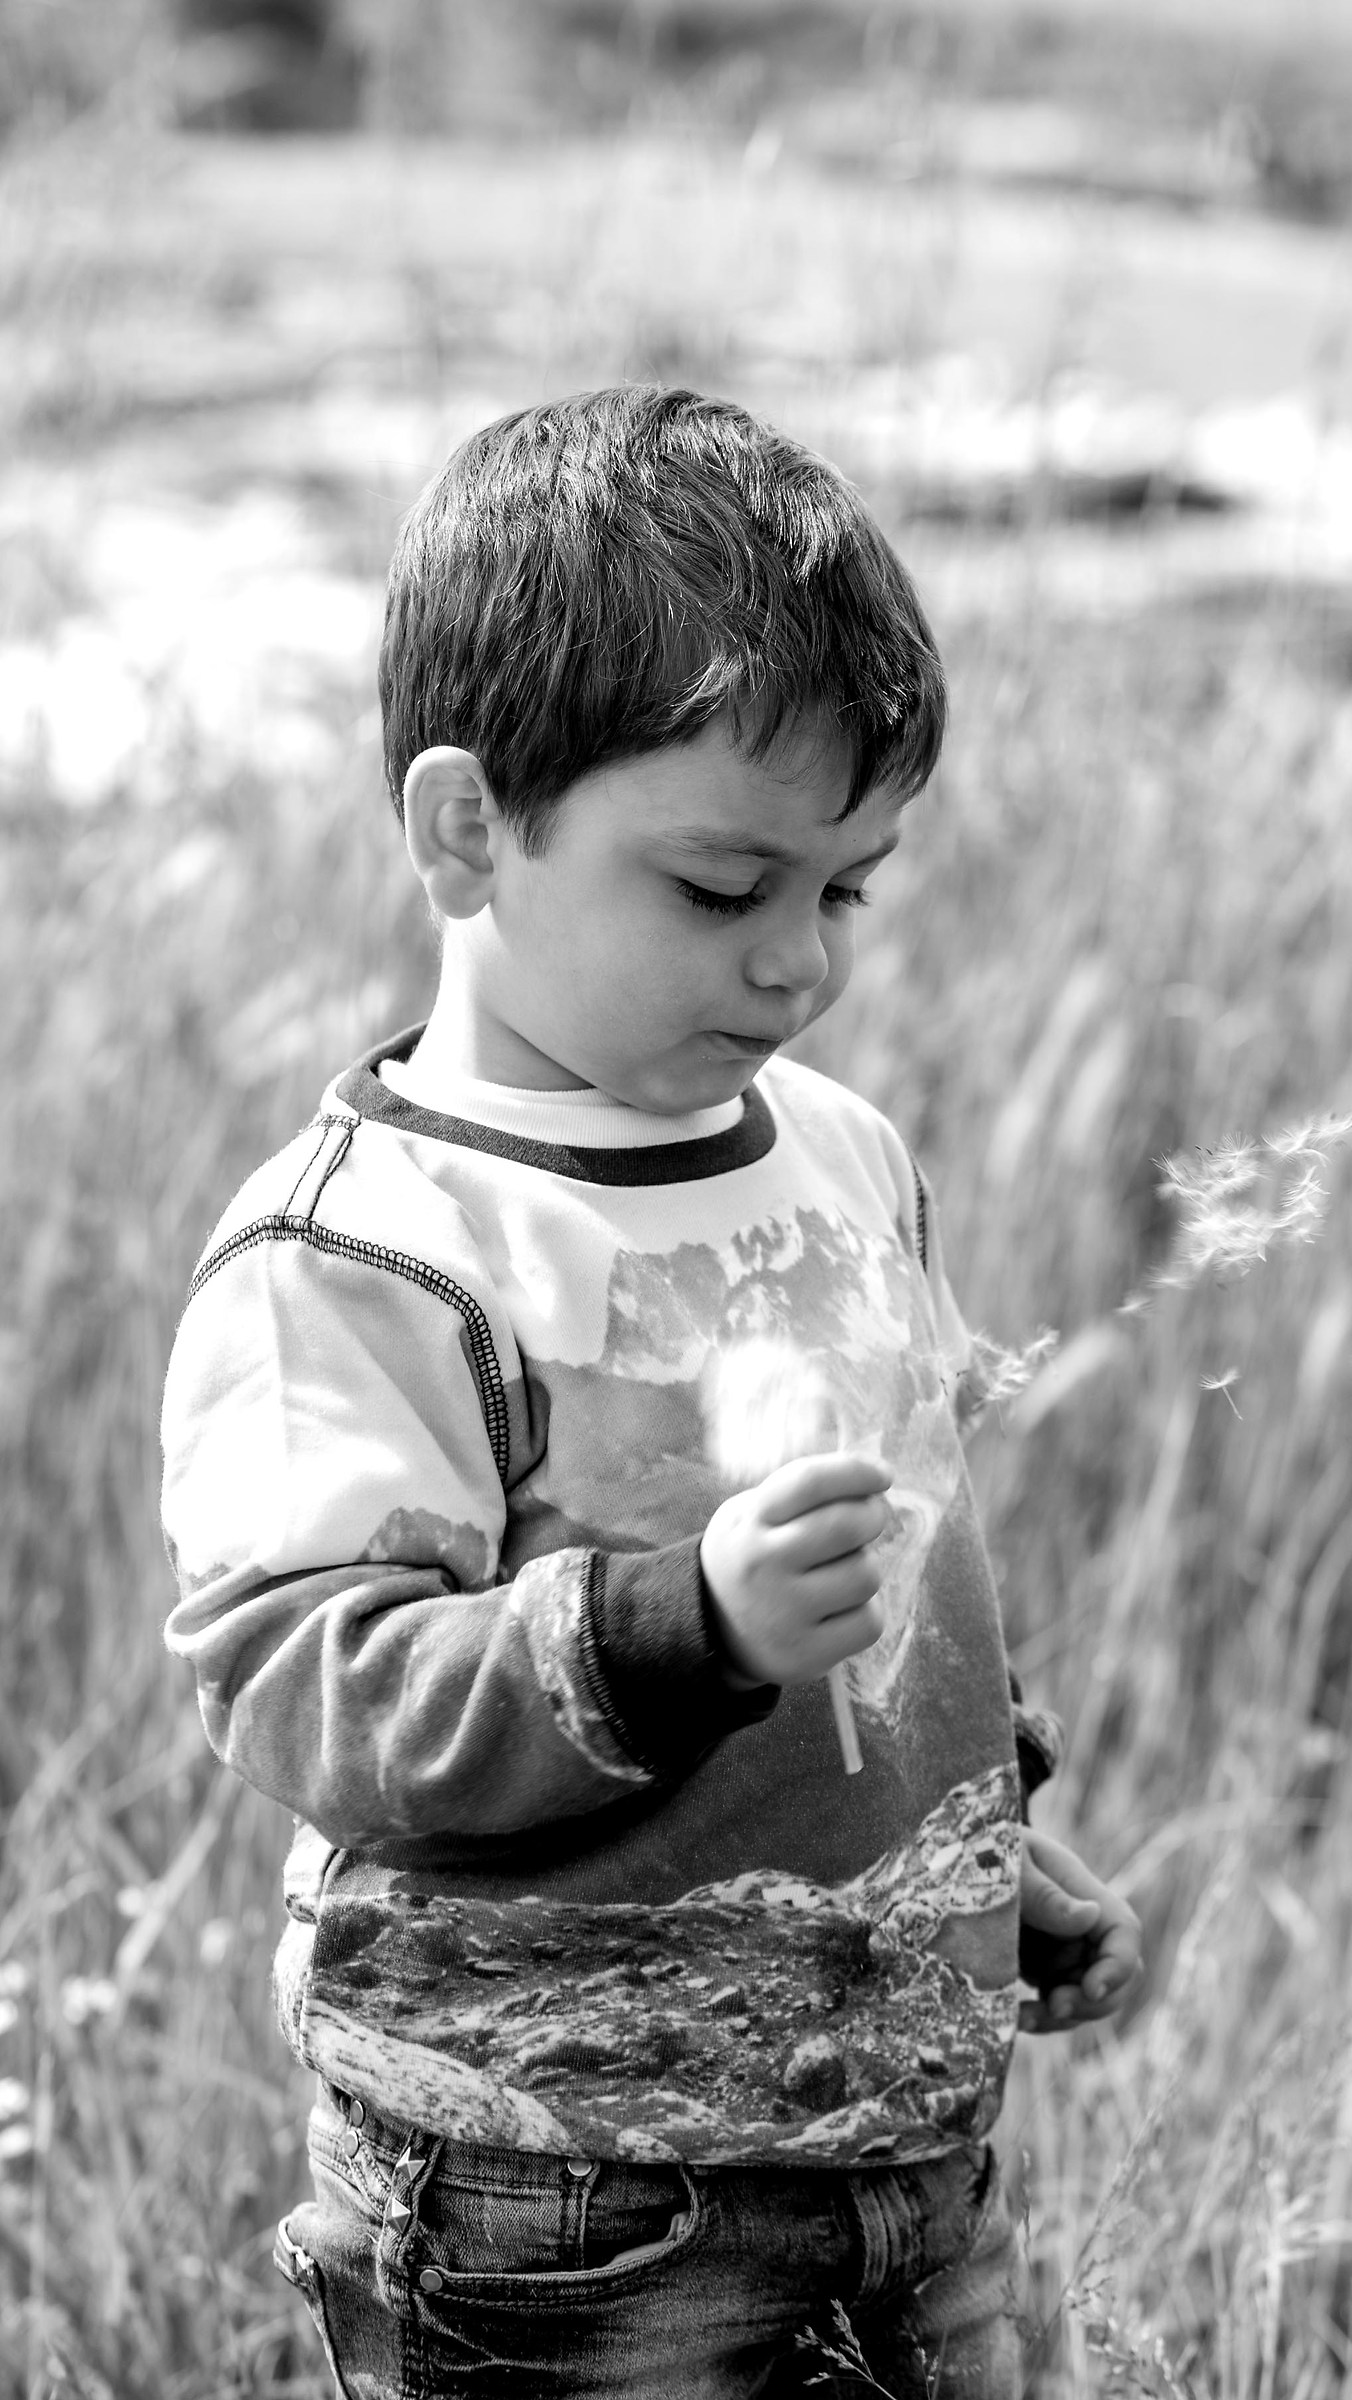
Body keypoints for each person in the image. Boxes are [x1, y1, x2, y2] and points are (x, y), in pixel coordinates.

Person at [160, 384, 1142, 2399]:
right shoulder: (368, 1255)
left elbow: (882, 1618)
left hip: (908, 2153)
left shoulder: (845, 1159)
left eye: (847, 887)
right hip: (563, 2200)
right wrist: (672, 1621)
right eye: (722, 890)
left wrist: (973, 1847)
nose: (800, 964)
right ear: (464, 828)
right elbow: (308, 1682)